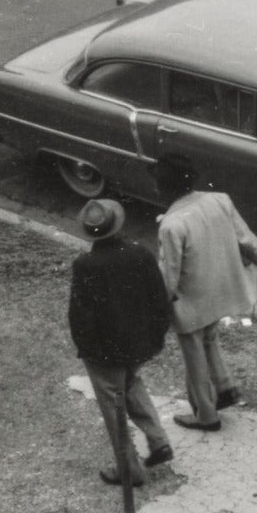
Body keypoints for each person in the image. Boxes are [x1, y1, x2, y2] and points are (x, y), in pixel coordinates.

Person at [153, 154, 257, 431]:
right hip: (222, 287)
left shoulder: (171, 225)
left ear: (165, 188)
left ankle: (206, 415)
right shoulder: (220, 199)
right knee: (209, 338)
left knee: (193, 354)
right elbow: (245, 236)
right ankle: (225, 387)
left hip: (191, 298)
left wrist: (160, 305)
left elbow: (169, 272)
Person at [67, 199, 174, 486]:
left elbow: (80, 316)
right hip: (139, 344)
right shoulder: (140, 254)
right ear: (117, 224)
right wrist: (155, 337)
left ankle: (130, 471)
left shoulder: (85, 265)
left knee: (114, 408)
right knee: (131, 383)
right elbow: (159, 300)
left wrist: (87, 350)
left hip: (104, 353)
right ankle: (157, 439)